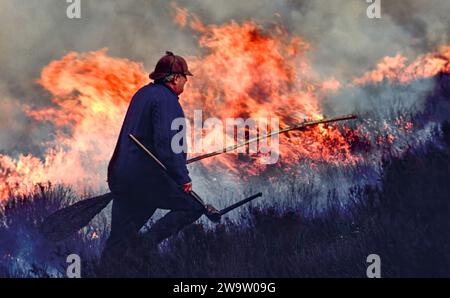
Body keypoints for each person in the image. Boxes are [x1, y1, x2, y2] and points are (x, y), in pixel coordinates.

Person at [102, 51, 216, 262]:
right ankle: (145, 245)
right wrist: (182, 177)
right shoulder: (167, 101)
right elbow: (168, 144)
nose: (185, 83)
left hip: (122, 176)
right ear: (174, 78)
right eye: (184, 78)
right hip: (145, 178)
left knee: (119, 239)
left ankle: (105, 271)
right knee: (192, 207)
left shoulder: (143, 94)